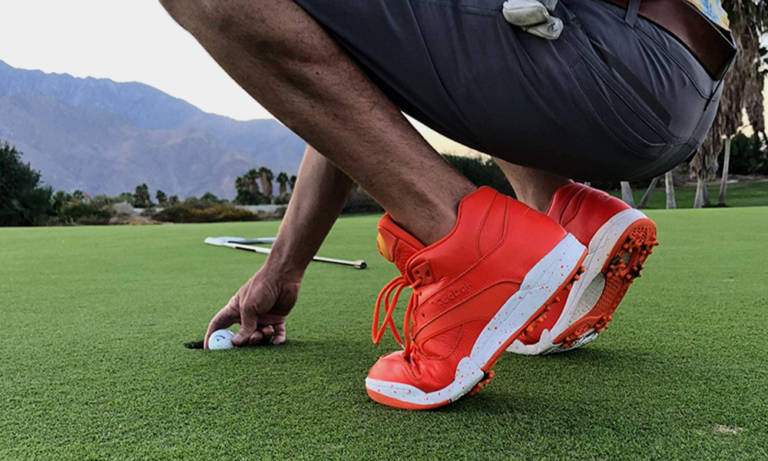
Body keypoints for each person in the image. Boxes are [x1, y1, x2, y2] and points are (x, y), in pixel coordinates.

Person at [159, 0, 735, 409]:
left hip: (610, 56)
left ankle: (467, 244)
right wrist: (282, 270)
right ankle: (565, 210)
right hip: (682, 76)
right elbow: (348, 87)